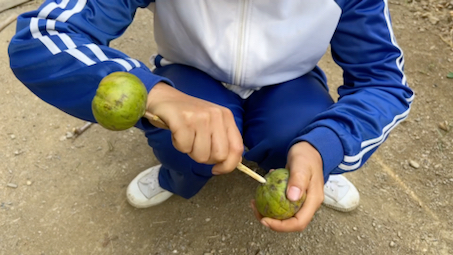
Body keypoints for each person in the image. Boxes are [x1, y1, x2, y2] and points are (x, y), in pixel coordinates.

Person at [8, 0, 413, 232]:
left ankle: (312, 172)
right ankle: (177, 176)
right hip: (191, 73)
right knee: (180, 145)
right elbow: (41, 37)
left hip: (289, 80)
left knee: (302, 135)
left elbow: (384, 83)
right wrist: (155, 96)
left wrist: (328, 145)